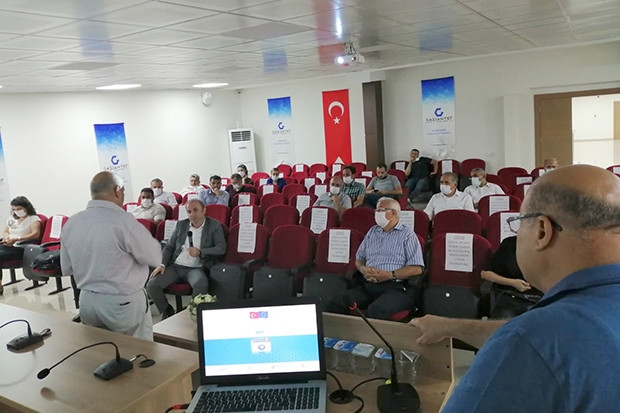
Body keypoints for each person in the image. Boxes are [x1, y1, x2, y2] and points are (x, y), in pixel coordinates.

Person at [411, 164, 620, 412]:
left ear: (542, 231)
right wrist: (450, 327)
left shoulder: (532, 341)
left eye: (519, 222)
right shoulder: (553, 330)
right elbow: (551, 340)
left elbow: (534, 341)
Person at [60, 172, 161, 340]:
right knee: (138, 351)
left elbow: (67, 267)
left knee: (101, 349)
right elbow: (153, 257)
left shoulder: (72, 222)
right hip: (122, 303)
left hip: (87, 300)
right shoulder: (123, 221)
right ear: (116, 190)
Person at [325, 197, 424, 320]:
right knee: (336, 301)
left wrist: (390, 275)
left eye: (380, 210)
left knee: (376, 311)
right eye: (376, 210)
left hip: (395, 287)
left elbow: (417, 268)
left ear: (393, 213)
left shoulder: (408, 235)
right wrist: (363, 269)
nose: (376, 213)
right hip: (368, 284)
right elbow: (359, 258)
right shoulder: (373, 231)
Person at [147, 198, 226, 321]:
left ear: (204, 211)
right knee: (152, 284)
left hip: (196, 268)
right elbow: (169, 247)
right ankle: (167, 310)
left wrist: (200, 252)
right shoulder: (181, 225)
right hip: (176, 266)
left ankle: (191, 313)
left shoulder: (214, 225)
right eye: (189, 211)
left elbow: (221, 248)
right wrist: (161, 264)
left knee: (200, 284)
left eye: (195, 210)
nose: (192, 214)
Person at [481, 236, 542, 318]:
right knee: (505, 320)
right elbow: (485, 274)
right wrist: (513, 283)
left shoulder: (553, 247)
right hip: (511, 297)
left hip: (541, 299)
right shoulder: (510, 243)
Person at [0, 196, 42, 295]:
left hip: (22, 247)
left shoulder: (33, 219)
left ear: (26, 207)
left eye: (19, 209)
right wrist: (6, 237)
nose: (17, 211)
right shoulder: (12, 219)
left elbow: (36, 234)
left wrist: (18, 239)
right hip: (9, 245)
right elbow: (6, 231)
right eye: (14, 209)